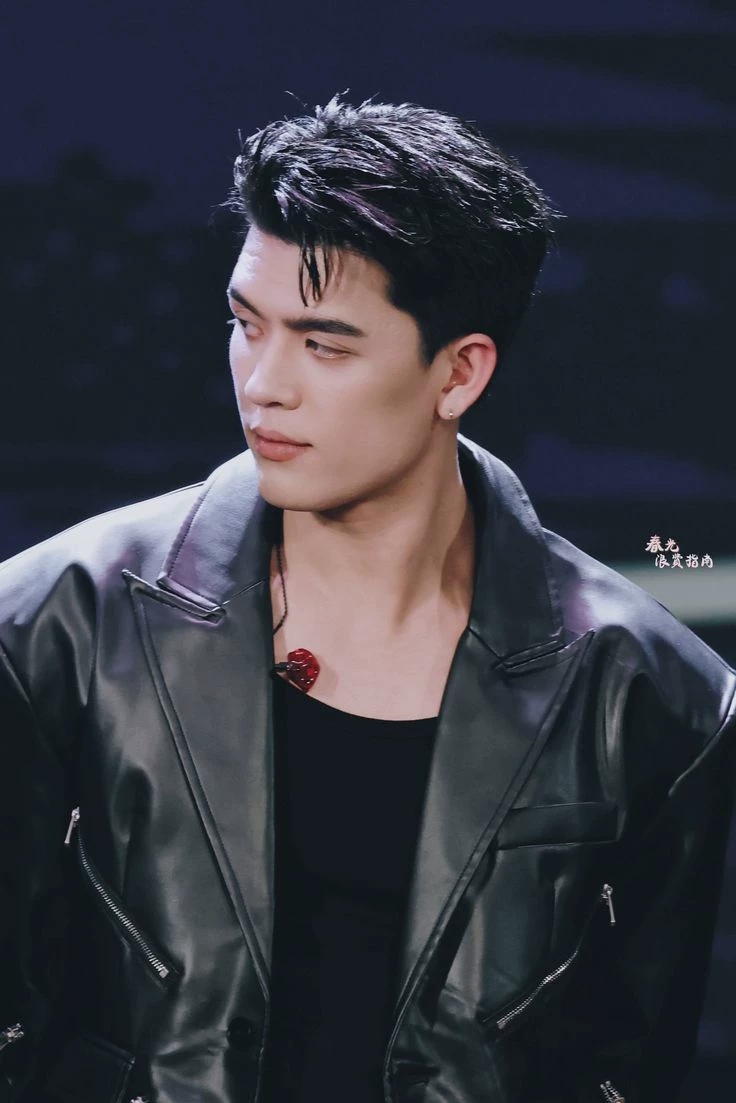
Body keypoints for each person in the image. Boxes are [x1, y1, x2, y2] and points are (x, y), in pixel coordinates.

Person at [1, 93, 734, 1103]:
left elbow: (631, 1062)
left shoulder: (650, 695)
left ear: (458, 373)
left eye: (325, 345)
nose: (263, 383)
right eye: (244, 324)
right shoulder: (54, 625)